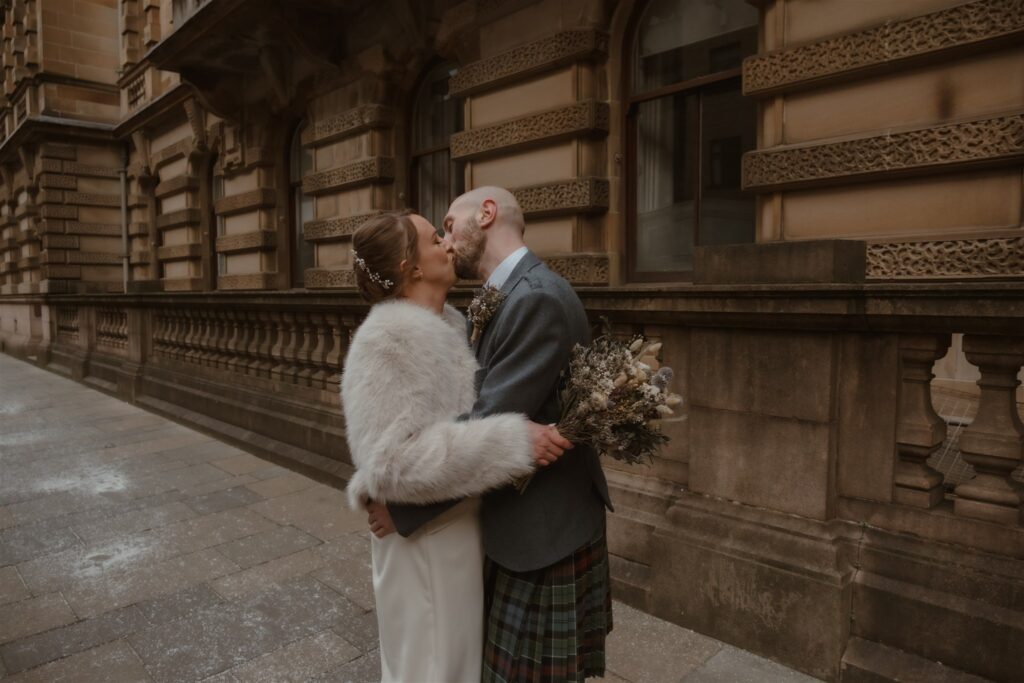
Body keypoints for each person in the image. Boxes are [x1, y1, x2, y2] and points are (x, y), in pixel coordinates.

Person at [370, 187, 614, 682]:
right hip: (523, 525)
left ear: (485, 214)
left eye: (448, 224)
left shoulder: (535, 299)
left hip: (541, 534)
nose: (444, 239)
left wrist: (401, 506)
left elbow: (483, 424)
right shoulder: (508, 294)